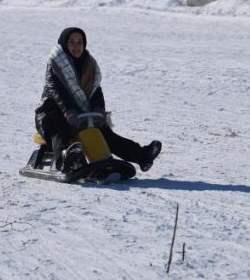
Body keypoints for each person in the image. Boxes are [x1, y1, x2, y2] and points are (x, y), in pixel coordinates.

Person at [35, 27, 161, 173]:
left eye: (79, 42)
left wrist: (99, 108)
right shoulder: (56, 64)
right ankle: (64, 161)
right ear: (64, 43)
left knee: (105, 133)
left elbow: (95, 90)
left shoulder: (89, 64)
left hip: (81, 114)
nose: (76, 46)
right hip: (51, 113)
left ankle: (143, 156)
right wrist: (68, 111)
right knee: (59, 129)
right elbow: (56, 90)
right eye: (71, 42)